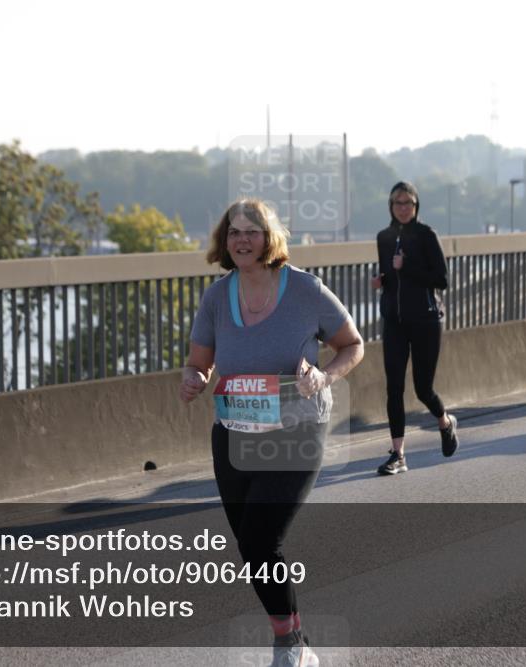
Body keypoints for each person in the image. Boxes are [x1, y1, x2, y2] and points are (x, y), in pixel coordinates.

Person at [180, 198, 363, 667]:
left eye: (252, 231)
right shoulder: (217, 297)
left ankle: (290, 647)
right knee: (248, 543)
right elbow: (199, 364)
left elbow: (352, 345)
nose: (242, 239)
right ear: (225, 241)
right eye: (234, 232)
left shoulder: (305, 289)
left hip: (296, 430)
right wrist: (194, 380)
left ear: (269, 238)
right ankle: (293, 634)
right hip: (234, 431)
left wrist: (324, 377)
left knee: (262, 539)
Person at [370, 181, 458, 476]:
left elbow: (441, 280)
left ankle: (445, 421)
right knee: (393, 387)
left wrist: (405, 268)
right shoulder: (383, 238)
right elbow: (389, 272)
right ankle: (398, 454)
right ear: (390, 206)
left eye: (408, 203)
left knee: (423, 389)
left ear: (416, 206)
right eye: (398, 203)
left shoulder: (426, 235)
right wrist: (382, 280)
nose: (403, 208)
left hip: (426, 320)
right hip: (394, 321)